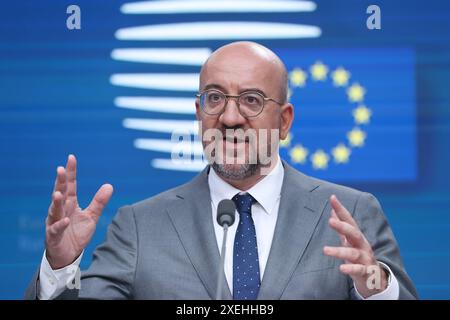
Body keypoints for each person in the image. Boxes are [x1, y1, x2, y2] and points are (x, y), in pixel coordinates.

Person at [25, 41, 417, 300]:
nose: (230, 118)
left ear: (284, 121)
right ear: (199, 113)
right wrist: (60, 269)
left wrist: (375, 287)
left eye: (250, 100)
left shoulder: (350, 213)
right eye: (215, 98)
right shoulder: (139, 226)